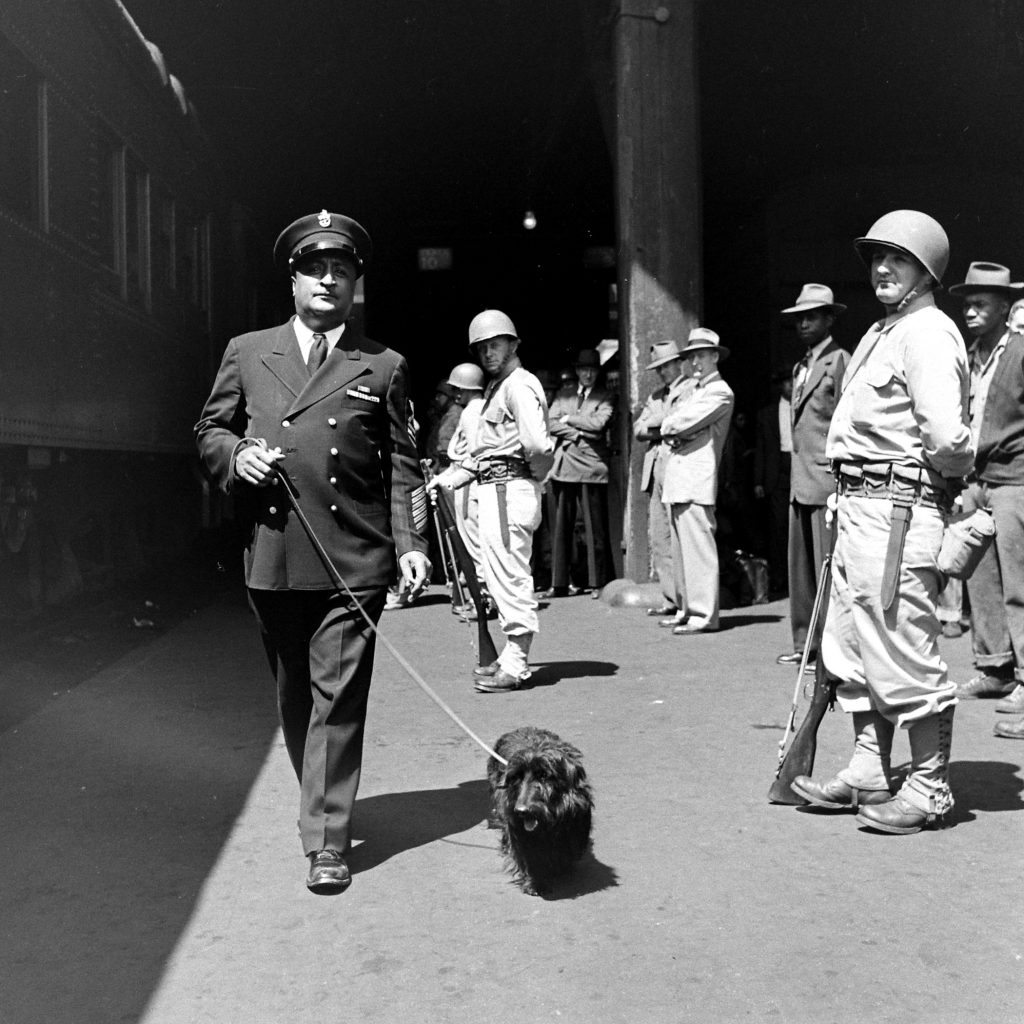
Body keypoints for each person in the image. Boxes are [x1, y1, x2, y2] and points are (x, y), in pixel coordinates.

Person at [194, 210, 431, 894]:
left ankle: (326, 840)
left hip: (356, 559)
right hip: (274, 554)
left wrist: (410, 545)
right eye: (316, 269)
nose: (329, 280)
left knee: (340, 696)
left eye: (343, 270)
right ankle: (320, 798)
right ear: (293, 280)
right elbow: (209, 430)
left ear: (356, 284)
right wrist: (236, 455)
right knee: (296, 694)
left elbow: (402, 465)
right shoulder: (247, 350)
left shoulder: (382, 365)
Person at [792, 210, 974, 834]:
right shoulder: (881, 331)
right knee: (851, 646)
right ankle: (869, 767)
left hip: (897, 508)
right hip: (857, 505)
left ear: (927, 270)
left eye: (897, 258)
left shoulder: (928, 331)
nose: (881, 268)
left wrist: (928, 477)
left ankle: (928, 789)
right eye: (875, 257)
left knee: (902, 646)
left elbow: (949, 438)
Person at [430, 310, 554, 692]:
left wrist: (530, 475)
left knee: (510, 576)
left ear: (513, 344)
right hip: (492, 486)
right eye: (482, 348)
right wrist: (448, 479)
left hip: (508, 489)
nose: (488, 353)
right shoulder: (496, 389)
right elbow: (480, 454)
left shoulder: (519, 385)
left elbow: (537, 445)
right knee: (497, 576)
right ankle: (509, 655)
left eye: (495, 344)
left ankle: (516, 663)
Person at [941, 264, 1024, 732]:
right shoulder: (973, 355)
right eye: (967, 304)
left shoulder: (1021, 351)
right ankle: (995, 668)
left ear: (1004, 308)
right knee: (980, 578)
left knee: (1020, 584)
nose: (971, 312)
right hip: (978, 479)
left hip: (1016, 478)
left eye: (981, 304)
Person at [775, 284, 849, 669]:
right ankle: (806, 643)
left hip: (826, 482)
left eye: (812, 316)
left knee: (827, 568)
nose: (803, 323)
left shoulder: (839, 362)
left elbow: (847, 423)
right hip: (801, 480)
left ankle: (831, 650)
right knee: (801, 569)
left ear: (829, 319)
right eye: (799, 318)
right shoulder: (802, 365)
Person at [658, 328, 734, 634]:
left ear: (715, 356)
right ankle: (687, 609)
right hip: (681, 478)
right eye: (692, 357)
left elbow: (679, 422)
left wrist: (675, 428)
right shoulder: (696, 390)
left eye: (702, 355)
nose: (696, 362)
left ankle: (703, 614)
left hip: (696, 479)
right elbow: (671, 423)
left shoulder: (720, 391)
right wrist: (674, 427)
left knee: (698, 550)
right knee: (681, 550)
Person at [542, 348, 615, 597]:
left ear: (598, 372)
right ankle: (559, 583)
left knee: (595, 528)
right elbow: (549, 422)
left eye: (592, 370)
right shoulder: (564, 394)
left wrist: (569, 419)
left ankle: (598, 583)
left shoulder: (606, 396)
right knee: (562, 528)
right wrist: (578, 433)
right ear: (577, 371)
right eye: (584, 370)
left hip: (593, 467)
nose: (588, 374)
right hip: (564, 466)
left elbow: (599, 424)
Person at [634, 340, 694, 616]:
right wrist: (661, 424)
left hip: (676, 468)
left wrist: (658, 423)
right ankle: (671, 598)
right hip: (655, 468)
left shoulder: (690, 389)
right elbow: (639, 429)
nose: (663, 372)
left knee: (678, 537)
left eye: (667, 366)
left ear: (678, 363)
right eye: (659, 368)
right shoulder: (656, 395)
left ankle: (686, 601)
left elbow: (679, 421)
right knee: (659, 538)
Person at [444, 362, 487, 597]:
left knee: (473, 541)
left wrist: (451, 479)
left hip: (469, 483)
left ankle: (483, 595)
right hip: (466, 479)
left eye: (459, 388)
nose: (455, 393)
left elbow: (473, 455)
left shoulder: (472, 411)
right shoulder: (476, 408)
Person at [753, 367, 793, 597]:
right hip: (776, 475)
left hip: (799, 470)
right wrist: (758, 480)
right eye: (786, 382)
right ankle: (779, 580)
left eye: (793, 382)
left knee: (799, 528)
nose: (791, 386)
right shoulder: (768, 414)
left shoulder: (803, 408)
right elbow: (761, 449)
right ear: (780, 386)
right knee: (779, 530)